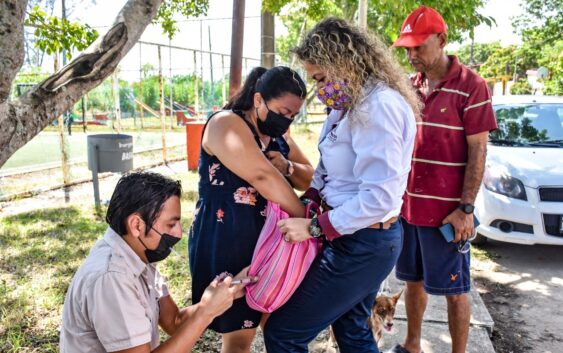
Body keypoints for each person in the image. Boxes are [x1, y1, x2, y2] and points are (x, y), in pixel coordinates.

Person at [262, 18, 420, 353]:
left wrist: (315, 227)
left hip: (363, 241)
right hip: (357, 236)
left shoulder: (378, 107)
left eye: (320, 78)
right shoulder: (348, 106)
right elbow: (330, 171)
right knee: (353, 331)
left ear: (343, 63)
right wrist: (312, 198)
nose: (319, 89)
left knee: (284, 332)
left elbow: (379, 198)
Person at [389, 5, 498, 353]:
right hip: (407, 208)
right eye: (408, 48)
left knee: (456, 290)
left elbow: (478, 152)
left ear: (443, 40)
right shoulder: (409, 87)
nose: (412, 54)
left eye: (419, 46)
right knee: (412, 281)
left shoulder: (472, 86)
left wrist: (466, 208)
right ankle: (412, 345)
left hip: (448, 214)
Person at [188, 66, 313, 353]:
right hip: (228, 239)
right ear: (258, 100)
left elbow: (312, 177)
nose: (287, 120)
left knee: (279, 326)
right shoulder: (226, 124)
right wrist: (311, 224)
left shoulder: (280, 136)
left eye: (294, 115)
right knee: (239, 335)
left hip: (272, 243)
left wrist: (289, 166)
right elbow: (262, 177)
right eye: (283, 111)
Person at [59, 172, 249, 353]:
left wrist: (223, 296)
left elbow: (174, 322)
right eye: (171, 224)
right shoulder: (112, 278)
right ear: (137, 225)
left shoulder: (138, 255)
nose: (178, 233)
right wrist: (206, 312)